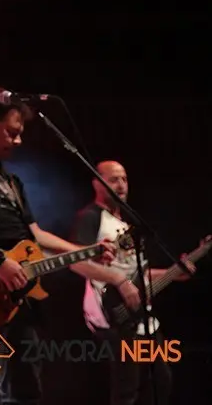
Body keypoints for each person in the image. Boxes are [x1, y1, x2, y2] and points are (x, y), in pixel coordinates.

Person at [0, 86, 122, 405]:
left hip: (17, 295)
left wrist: (87, 251)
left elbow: (35, 235)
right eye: (12, 132)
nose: (18, 141)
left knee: (27, 387)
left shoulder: (10, 180)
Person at [71, 160, 198, 405]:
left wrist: (172, 273)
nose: (121, 185)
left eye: (125, 179)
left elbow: (139, 273)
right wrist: (119, 281)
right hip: (112, 313)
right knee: (127, 386)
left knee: (160, 380)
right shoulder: (90, 217)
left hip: (140, 314)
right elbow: (76, 262)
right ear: (97, 184)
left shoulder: (127, 223)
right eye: (113, 179)